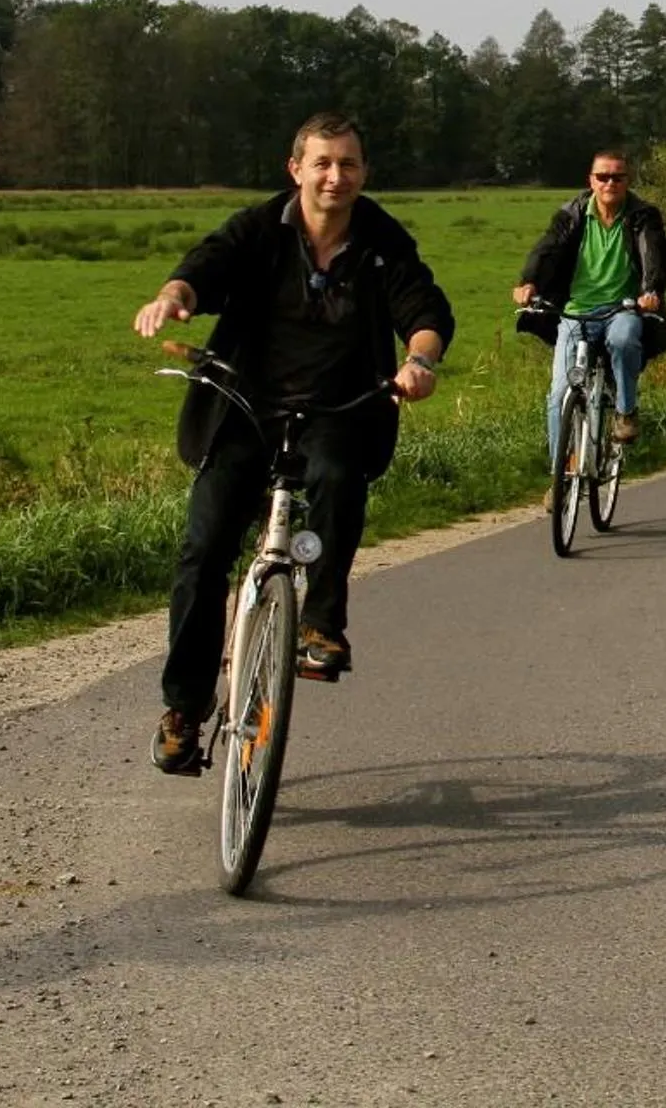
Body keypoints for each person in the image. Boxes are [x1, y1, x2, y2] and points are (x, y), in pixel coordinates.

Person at [133, 112, 453, 775]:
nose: (336, 177)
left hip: (336, 407)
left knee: (337, 475)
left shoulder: (382, 240)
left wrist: (420, 361)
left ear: (363, 172)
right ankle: (183, 710)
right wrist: (174, 297)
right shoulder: (259, 228)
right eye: (323, 163)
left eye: (349, 164)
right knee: (204, 551)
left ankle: (321, 627)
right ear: (296, 169)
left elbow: (423, 310)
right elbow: (205, 266)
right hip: (245, 409)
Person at [514, 147, 666, 448]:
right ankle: (560, 469)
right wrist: (529, 282)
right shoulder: (571, 214)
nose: (610, 183)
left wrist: (650, 291)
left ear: (627, 181)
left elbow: (654, 254)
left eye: (617, 177)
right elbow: (547, 248)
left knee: (624, 340)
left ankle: (625, 411)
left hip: (623, 309)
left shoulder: (643, 215)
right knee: (560, 394)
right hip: (575, 312)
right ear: (591, 180)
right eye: (603, 177)